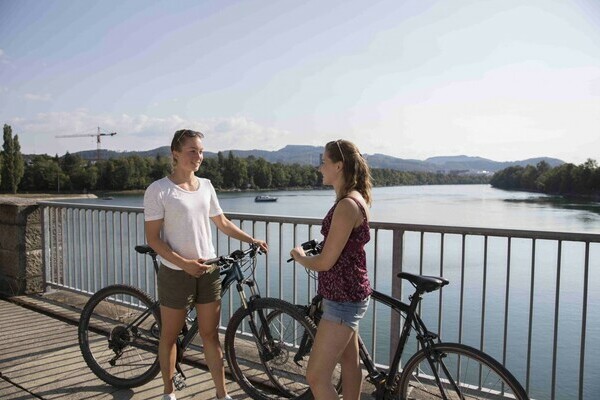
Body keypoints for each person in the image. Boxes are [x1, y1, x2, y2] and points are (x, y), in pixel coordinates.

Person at [144, 129, 268, 400]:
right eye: (192, 151)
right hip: (177, 272)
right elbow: (153, 239)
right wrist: (184, 263)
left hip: (209, 271)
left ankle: (222, 395)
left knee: (210, 336)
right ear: (175, 153)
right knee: (170, 336)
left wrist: (252, 239)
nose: (198, 156)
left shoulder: (207, 186)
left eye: (201, 151)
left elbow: (222, 223)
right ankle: (169, 393)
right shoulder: (159, 190)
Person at [289, 139, 372, 400]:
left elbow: (326, 262)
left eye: (323, 162)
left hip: (343, 300)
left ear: (338, 166)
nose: (319, 168)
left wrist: (300, 257)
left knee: (315, 376)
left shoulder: (347, 205)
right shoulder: (355, 199)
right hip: (350, 294)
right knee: (350, 362)